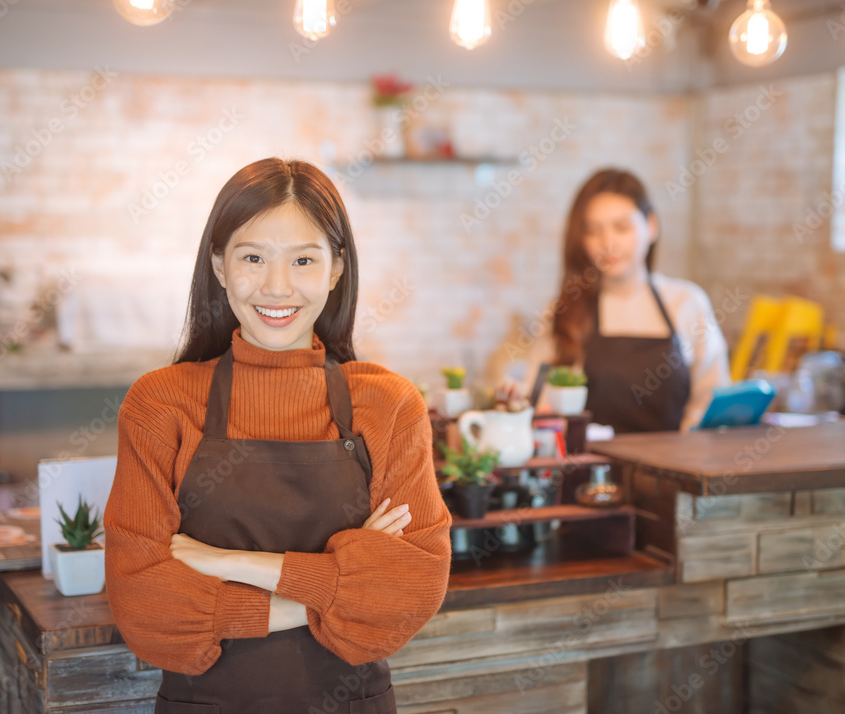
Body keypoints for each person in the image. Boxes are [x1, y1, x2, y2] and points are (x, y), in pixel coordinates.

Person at [103, 158, 451, 713]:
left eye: (304, 260)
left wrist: (226, 563)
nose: (277, 286)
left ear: (337, 268)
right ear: (219, 264)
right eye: (252, 257)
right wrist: (335, 588)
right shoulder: (160, 403)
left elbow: (411, 592)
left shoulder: (387, 406)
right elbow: (143, 605)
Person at [498, 168, 730, 433]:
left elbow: (711, 399)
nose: (608, 243)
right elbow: (541, 407)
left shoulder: (688, 303)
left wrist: (682, 453)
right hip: (592, 473)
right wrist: (514, 405)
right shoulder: (566, 311)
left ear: (651, 226)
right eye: (594, 231)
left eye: (621, 228)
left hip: (678, 469)